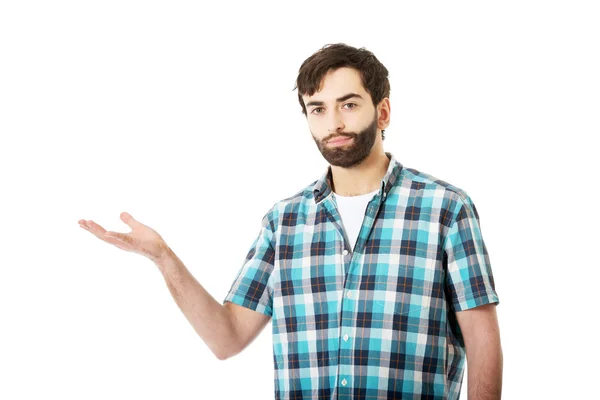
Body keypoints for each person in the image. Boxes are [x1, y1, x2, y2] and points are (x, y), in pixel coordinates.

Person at [78, 43, 502, 400]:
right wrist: (163, 258)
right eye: (317, 109)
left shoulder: (446, 208)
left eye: (348, 105)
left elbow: (483, 344)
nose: (333, 123)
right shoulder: (284, 222)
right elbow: (226, 338)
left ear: (383, 111)